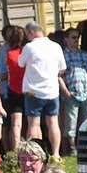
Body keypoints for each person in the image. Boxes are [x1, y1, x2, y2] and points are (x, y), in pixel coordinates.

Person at [18, 22, 67, 159]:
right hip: (52, 90)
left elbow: (20, 63)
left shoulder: (30, 47)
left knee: (34, 124)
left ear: (32, 32)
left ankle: (36, 153)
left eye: (28, 35)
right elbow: (62, 68)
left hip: (34, 91)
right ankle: (56, 154)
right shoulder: (55, 46)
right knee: (53, 123)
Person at [61, 27, 87, 156]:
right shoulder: (63, 55)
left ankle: (86, 146)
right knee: (71, 122)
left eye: (77, 37)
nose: (76, 40)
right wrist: (65, 90)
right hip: (71, 92)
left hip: (85, 92)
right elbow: (58, 75)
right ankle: (72, 148)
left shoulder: (85, 54)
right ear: (66, 40)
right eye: (73, 37)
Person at [4, 26, 27, 151]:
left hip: (13, 89)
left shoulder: (8, 54)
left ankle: (15, 151)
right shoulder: (26, 52)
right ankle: (28, 148)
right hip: (27, 89)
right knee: (31, 122)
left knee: (16, 123)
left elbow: (6, 71)